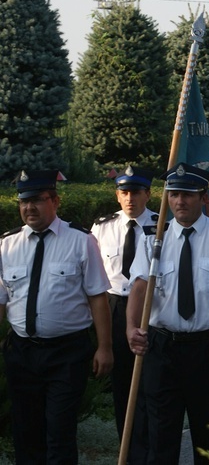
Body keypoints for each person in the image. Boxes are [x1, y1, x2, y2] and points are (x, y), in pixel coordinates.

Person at [127, 162, 209, 464]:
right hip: (162, 349)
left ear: (202, 196)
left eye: (187, 194)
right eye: (174, 194)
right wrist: (131, 328)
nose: (180, 201)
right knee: (160, 437)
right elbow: (139, 289)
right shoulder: (153, 239)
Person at [0, 169, 113, 464]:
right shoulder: (7, 245)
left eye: (37, 200)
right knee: (26, 433)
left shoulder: (81, 241)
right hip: (22, 352)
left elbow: (97, 297)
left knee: (60, 433)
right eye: (24, 202)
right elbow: (1, 300)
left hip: (66, 353)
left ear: (55, 201)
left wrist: (104, 347)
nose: (29, 208)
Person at [90, 165, 155, 462]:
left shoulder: (161, 225)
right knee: (121, 386)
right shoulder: (102, 227)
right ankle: (127, 450)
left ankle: (152, 449)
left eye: (136, 192)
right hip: (114, 308)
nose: (130, 199)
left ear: (148, 194)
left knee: (151, 383)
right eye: (124, 192)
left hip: (150, 311)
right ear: (117, 195)